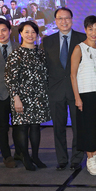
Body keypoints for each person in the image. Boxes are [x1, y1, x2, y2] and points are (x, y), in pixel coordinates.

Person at [42, 7, 86, 171]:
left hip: (77, 91)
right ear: (55, 21)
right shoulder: (47, 41)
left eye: (67, 18)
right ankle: (61, 159)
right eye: (60, 18)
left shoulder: (82, 38)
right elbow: (45, 68)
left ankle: (76, 159)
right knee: (58, 128)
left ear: (72, 19)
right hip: (55, 91)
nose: (64, 21)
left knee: (78, 127)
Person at [4, 21, 51, 171]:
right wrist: (16, 97)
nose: (30, 35)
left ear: (37, 34)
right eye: (26, 32)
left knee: (36, 127)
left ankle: (35, 156)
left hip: (38, 96)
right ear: (20, 34)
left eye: (33, 32)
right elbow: (10, 78)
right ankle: (25, 157)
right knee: (22, 128)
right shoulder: (16, 54)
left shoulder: (41, 53)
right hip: (21, 98)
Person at [70, 15, 96, 176]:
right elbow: (73, 75)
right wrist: (77, 98)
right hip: (85, 95)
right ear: (85, 29)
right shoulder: (79, 48)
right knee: (87, 128)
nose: (94, 32)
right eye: (90, 29)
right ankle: (90, 160)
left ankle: (95, 155)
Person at [0, 19, 20, 168]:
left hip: (17, 96)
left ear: (10, 30)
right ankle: (7, 155)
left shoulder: (19, 48)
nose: (1, 34)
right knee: (2, 127)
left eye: (4, 30)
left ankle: (19, 152)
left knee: (19, 126)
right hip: (0, 96)